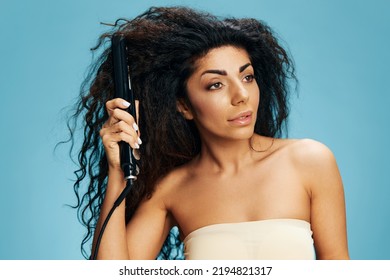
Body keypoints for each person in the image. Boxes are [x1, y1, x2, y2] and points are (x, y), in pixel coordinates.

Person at [68, 6, 349, 260]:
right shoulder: (172, 189)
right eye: (216, 84)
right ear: (184, 105)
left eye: (247, 77)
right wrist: (118, 173)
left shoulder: (310, 161)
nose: (241, 96)